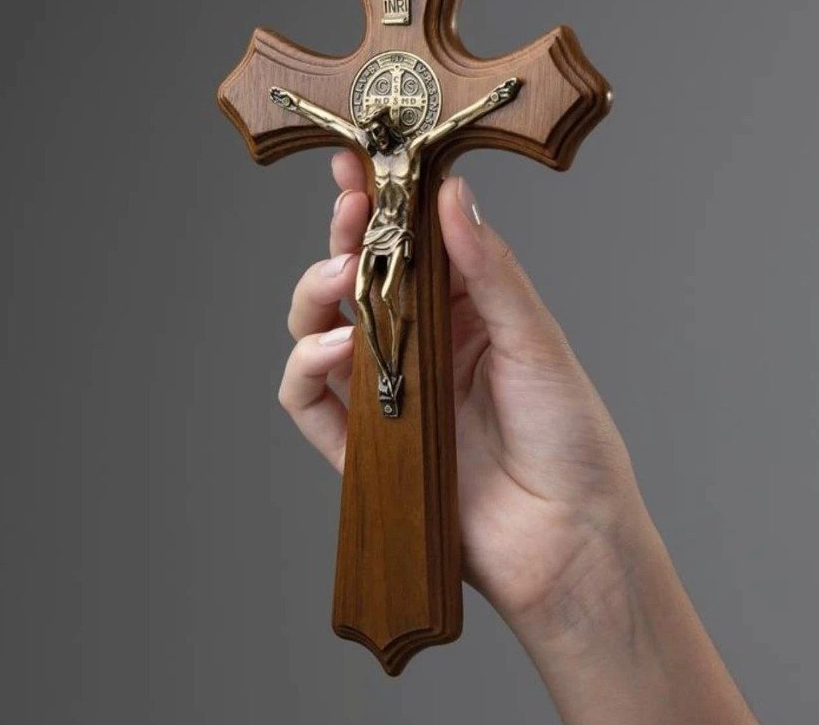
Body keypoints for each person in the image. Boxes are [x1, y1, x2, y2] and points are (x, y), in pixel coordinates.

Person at [278, 151, 760, 724]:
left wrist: (581, 558)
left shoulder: (412, 156)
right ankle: (389, 374)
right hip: (383, 245)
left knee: (390, 316)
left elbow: (455, 121)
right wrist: (571, 571)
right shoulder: (371, 149)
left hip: (400, 240)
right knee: (372, 311)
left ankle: (390, 372)